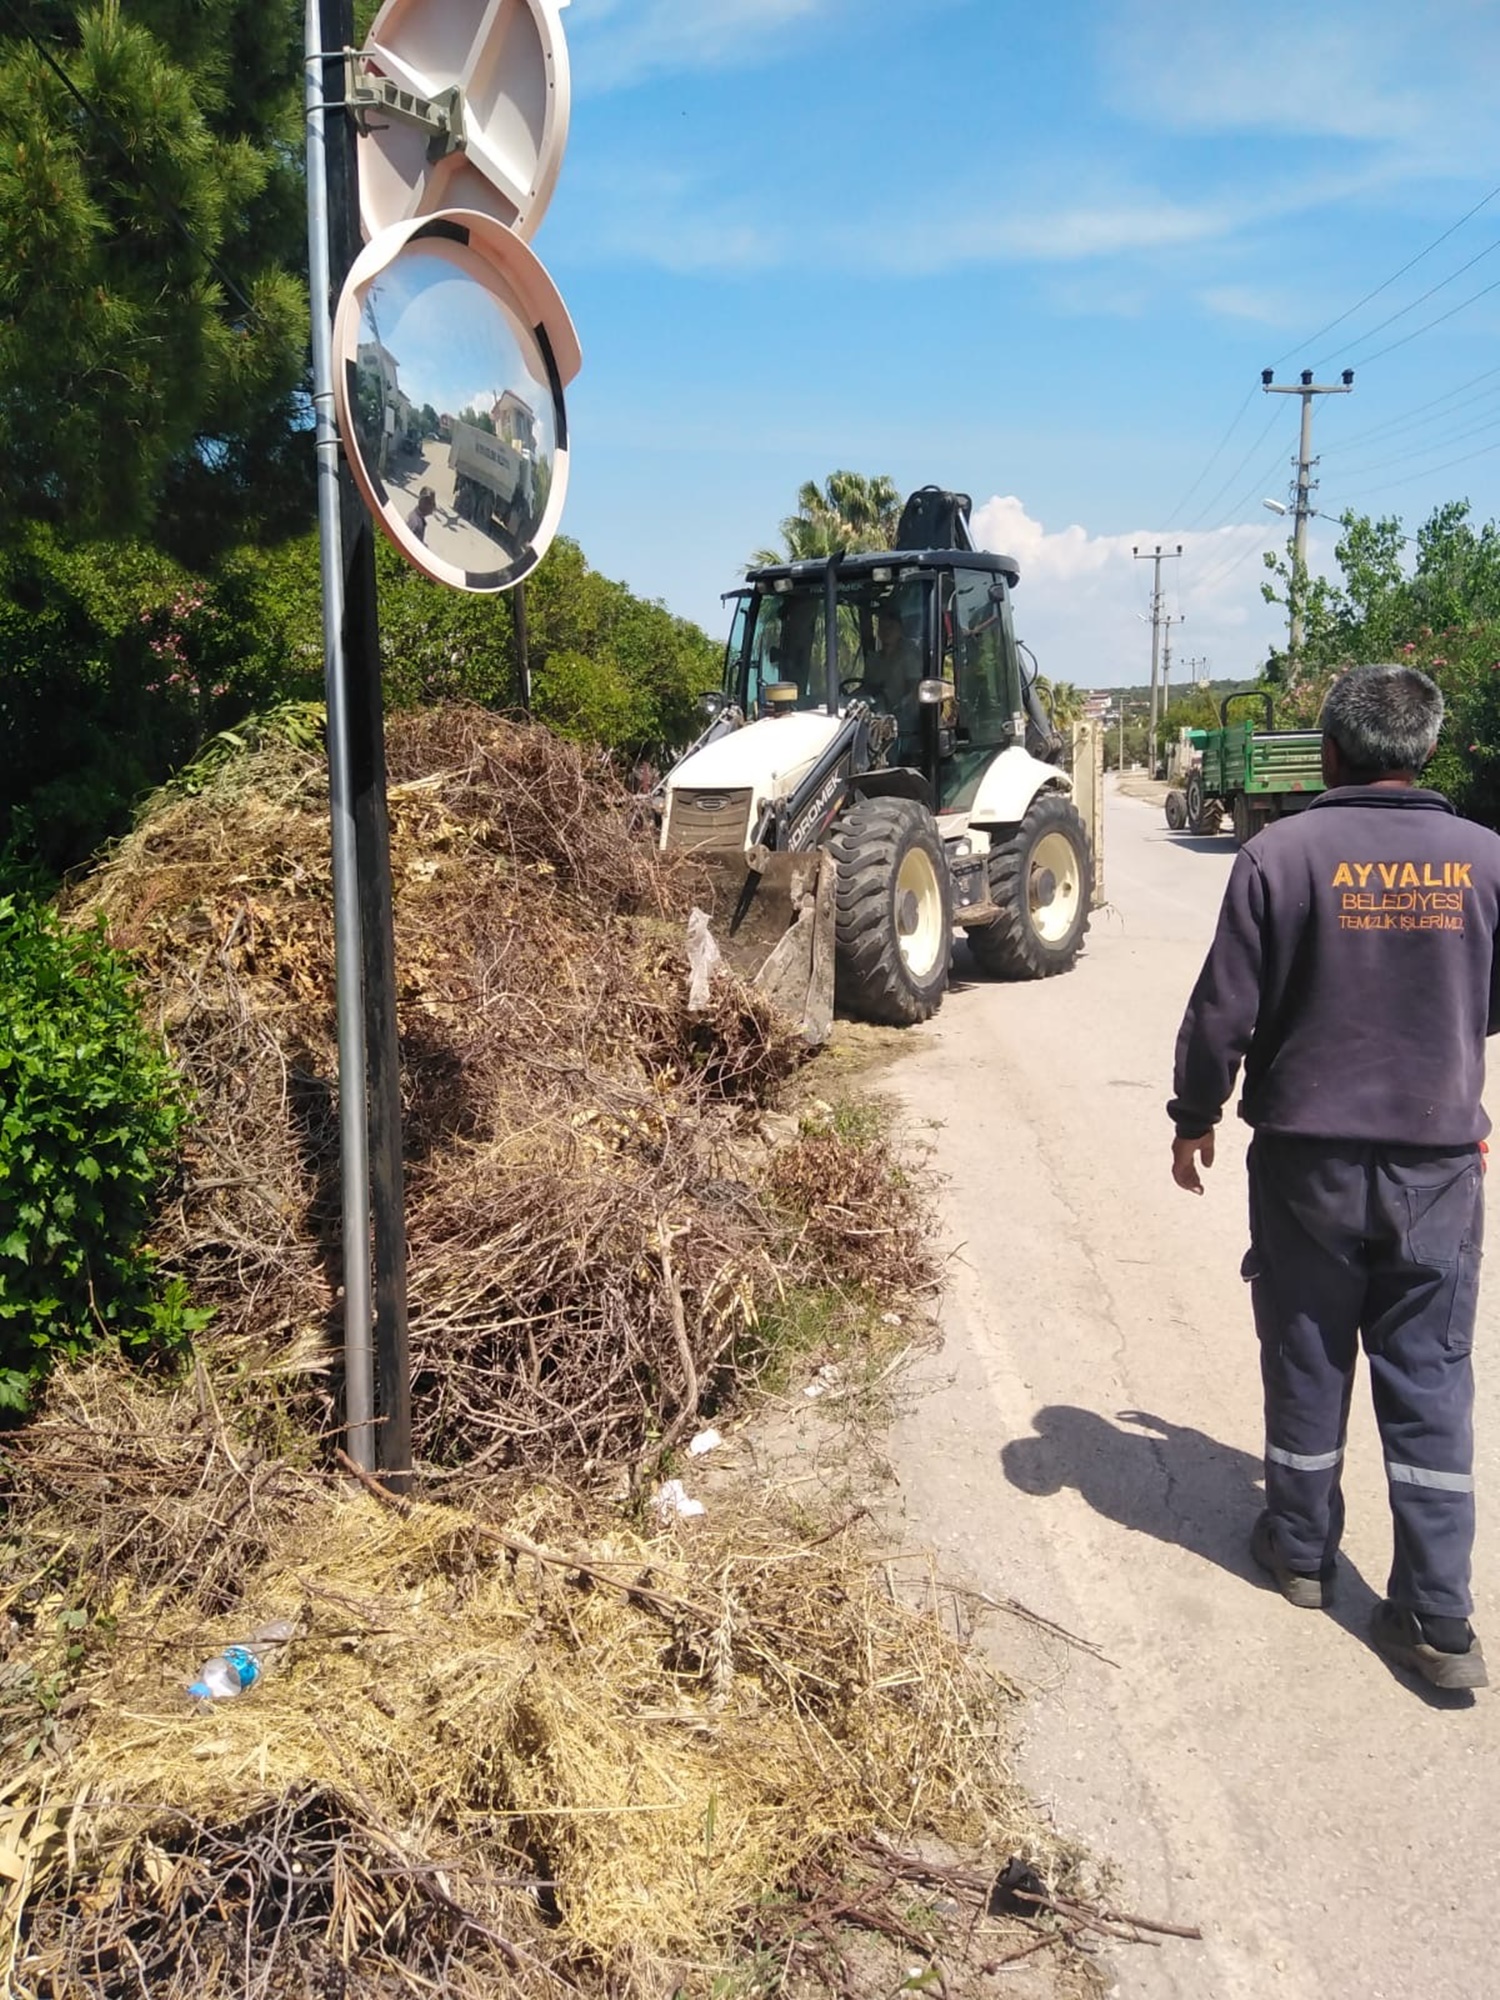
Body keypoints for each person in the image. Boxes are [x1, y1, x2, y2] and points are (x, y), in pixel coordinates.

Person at [1168, 663, 1500, 1692]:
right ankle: (1437, 1617)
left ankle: (1303, 1552)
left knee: (1308, 1351)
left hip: (1306, 1160)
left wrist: (1194, 1117)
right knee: (1429, 1373)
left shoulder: (1282, 854)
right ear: (1427, 749)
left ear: (1331, 750)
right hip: (1436, 1161)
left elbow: (1221, 1009)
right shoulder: (1485, 859)